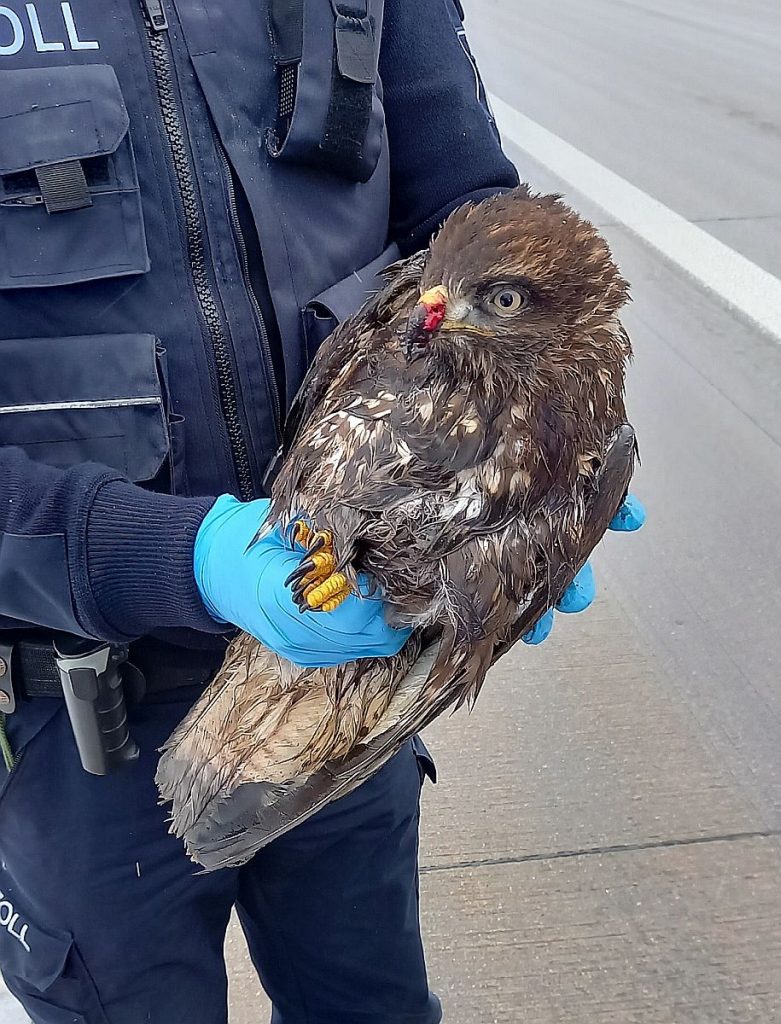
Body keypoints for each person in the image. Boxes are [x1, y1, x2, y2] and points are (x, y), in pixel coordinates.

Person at [0, 1, 643, 1021]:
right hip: (75, 706)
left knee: (370, 1003)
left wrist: (542, 451)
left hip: (355, 657)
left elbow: (464, 217)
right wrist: (190, 556)